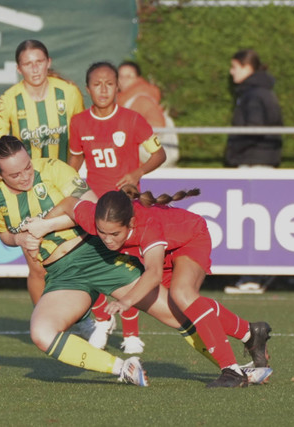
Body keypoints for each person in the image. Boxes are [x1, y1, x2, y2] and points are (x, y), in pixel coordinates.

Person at [0, 96, 204, 387]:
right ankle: (123, 368)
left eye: (27, 166)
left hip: (95, 254)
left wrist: (43, 227)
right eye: (15, 174)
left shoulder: (53, 168)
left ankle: (234, 361)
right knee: (42, 333)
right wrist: (19, 237)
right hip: (62, 275)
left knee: (175, 314)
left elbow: (90, 208)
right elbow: (5, 236)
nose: (26, 176)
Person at [57, 185, 273, 388]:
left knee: (183, 294)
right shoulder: (96, 218)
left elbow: (153, 273)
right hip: (165, 251)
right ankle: (251, 333)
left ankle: (231, 371)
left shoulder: (147, 225)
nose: (107, 240)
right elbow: (68, 204)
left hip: (190, 238)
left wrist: (126, 301)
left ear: (130, 223)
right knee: (183, 308)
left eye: (115, 234)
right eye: (102, 233)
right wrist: (39, 227)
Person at [0, 40, 90, 322]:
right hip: (26, 188)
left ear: (48, 61)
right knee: (38, 265)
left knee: (84, 250)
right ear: (19, 68)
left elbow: (79, 139)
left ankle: (92, 317)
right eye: (28, 63)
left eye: (39, 61)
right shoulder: (8, 100)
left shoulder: (68, 93)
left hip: (62, 183)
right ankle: (46, 321)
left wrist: (71, 176)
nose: (35, 68)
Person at [67, 62, 167, 354]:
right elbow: (73, 166)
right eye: (97, 84)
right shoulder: (79, 123)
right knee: (97, 265)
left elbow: (159, 154)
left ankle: (132, 335)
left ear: (117, 87)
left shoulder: (133, 119)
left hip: (126, 205)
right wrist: (71, 194)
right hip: (96, 206)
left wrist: (136, 174)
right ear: (87, 89)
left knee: (128, 269)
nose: (103, 89)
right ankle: (101, 320)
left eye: (109, 83)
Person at [224, 49, 283, 295]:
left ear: (247, 67)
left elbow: (254, 129)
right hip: (260, 160)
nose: (231, 71)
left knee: (251, 219)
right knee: (255, 218)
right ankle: (256, 274)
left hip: (254, 161)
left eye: (234, 66)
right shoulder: (260, 91)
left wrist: (233, 154)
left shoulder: (254, 94)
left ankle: (253, 276)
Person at [117, 61, 179, 167]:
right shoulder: (124, 98)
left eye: (129, 76)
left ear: (138, 78)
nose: (124, 80)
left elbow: (157, 124)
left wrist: (131, 140)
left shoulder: (141, 99)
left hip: (145, 161)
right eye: (120, 76)